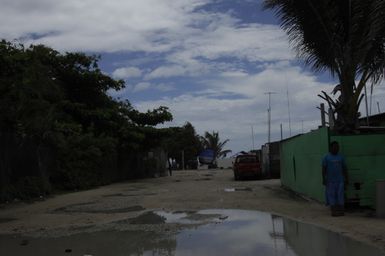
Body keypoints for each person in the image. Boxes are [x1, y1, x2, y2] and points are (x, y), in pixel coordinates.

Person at [322, 141, 349, 217]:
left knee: (340, 195)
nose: (337, 148)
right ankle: (333, 211)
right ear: (331, 148)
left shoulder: (341, 157)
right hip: (330, 181)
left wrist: (346, 178)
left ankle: (341, 211)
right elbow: (323, 169)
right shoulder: (326, 157)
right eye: (335, 147)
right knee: (331, 196)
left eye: (338, 147)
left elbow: (344, 168)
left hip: (340, 180)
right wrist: (323, 179)